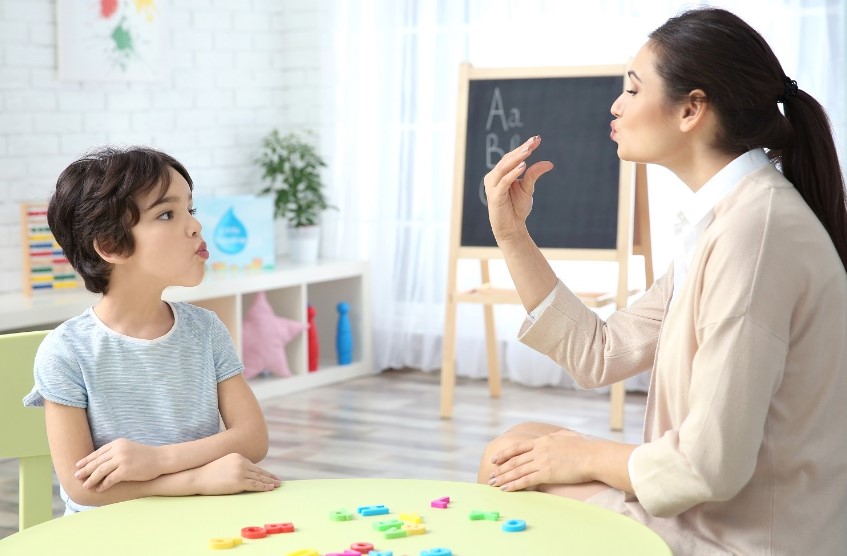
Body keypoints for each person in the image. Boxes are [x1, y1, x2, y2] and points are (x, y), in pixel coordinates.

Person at [476, 7, 847, 554]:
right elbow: (601, 353)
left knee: (505, 462)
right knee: (524, 442)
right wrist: (512, 236)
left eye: (632, 89)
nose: (616, 105)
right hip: (721, 512)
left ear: (692, 109)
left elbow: (707, 468)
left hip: (744, 538)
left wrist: (581, 453)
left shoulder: (753, 236)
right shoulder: (730, 219)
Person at [23, 146, 280, 515]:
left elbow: (252, 438)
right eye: (166, 214)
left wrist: (156, 460)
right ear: (111, 246)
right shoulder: (66, 350)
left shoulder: (205, 330)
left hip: (200, 519)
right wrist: (195, 480)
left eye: (189, 209)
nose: (195, 225)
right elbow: (82, 488)